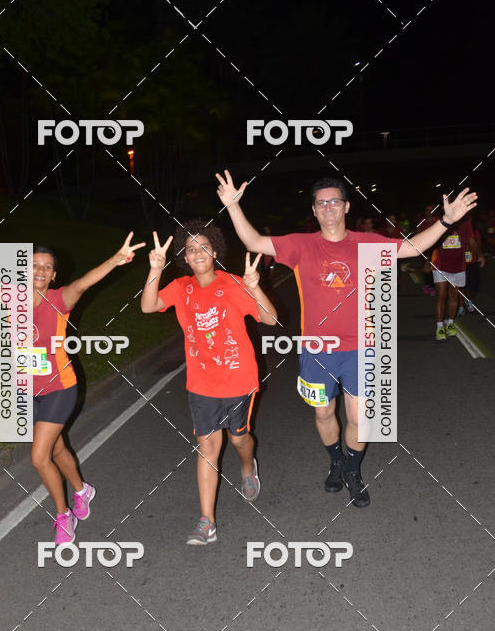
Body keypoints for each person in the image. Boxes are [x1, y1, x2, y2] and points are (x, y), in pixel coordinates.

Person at [214, 171, 478, 507]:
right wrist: (234, 207)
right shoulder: (300, 245)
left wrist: (445, 220)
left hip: (362, 347)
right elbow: (253, 242)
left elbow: (412, 248)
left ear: (346, 206)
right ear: (314, 210)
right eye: (321, 203)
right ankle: (335, 462)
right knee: (324, 414)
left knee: (359, 418)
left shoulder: (367, 243)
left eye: (333, 201)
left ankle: (352, 470)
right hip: (317, 349)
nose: (327, 208)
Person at [0, 232, 144, 543]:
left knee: (38, 457)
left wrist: (116, 258)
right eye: (34, 265)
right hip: (26, 389)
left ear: (54, 274)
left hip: (60, 386)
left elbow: (85, 282)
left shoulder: (61, 299)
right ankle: (83, 490)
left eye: (47, 267)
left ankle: (63, 515)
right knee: (56, 448)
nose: (41, 271)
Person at [140, 221, 277, 545]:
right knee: (207, 447)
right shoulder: (181, 287)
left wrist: (255, 287)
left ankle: (247, 468)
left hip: (239, 380)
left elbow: (270, 319)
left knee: (240, 438)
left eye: (203, 247)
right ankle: (206, 521)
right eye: (190, 249)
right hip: (201, 383)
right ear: (184, 258)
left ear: (214, 252)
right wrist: (155, 269)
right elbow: (148, 306)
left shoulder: (232, 284)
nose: (197, 253)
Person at [428, 217, 481, 339]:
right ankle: (440, 326)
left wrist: (480, 255)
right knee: (441, 295)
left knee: (454, 295)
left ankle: (450, 323)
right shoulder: (441, 220)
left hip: (458, 265)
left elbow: (472, 241)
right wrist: (427, 261)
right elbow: (430, 241)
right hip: (439, 264)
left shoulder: (466, 222)